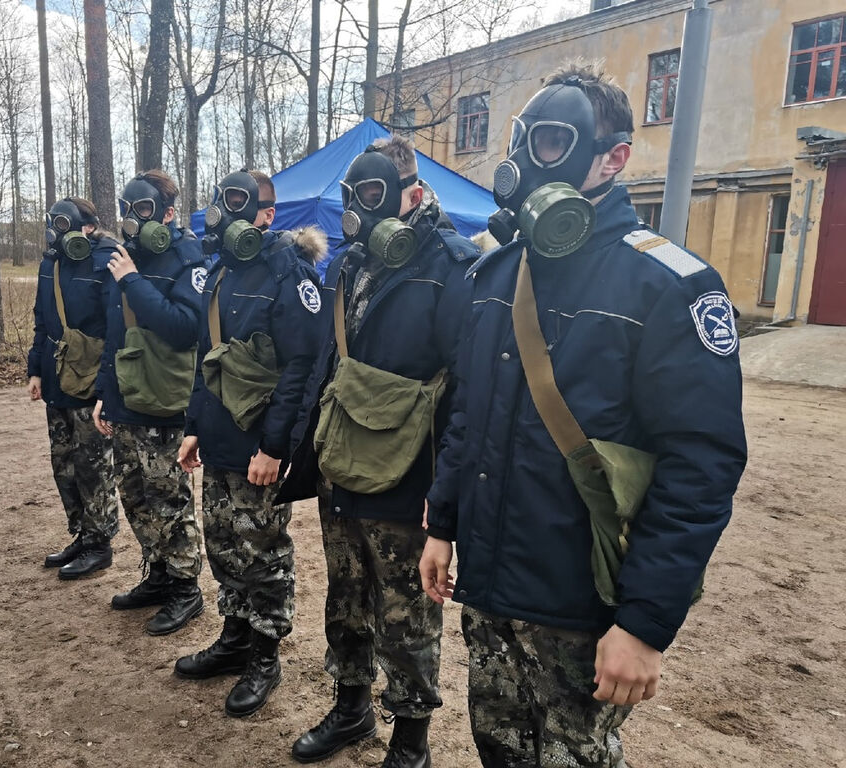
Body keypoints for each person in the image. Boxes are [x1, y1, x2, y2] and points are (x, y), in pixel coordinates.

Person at [419, 61, 748, 767]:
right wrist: (441, 525)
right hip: (492, 588)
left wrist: (645, 624)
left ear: (614, 158)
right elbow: (468, 414)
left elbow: (702, 466)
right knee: (498, 748)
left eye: (550, 143)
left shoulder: (669, 285)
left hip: (581, 605)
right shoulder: (495, 275)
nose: (525, 163)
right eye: (524, 141)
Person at [283, 136, 480, 768]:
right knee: (346, 595)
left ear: (412, 194)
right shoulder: (348, 264)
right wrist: (299, 450)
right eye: (353, 194)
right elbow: (325, 362)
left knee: (406, 612)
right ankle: (351, 707)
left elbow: (467, 392)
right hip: (342, 465)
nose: (360, 208)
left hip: (407, 476)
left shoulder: (451, 267)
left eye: (373, 193)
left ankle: (411, 740)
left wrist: (443, 497)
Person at [174, 169, 326, 719]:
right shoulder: (219, 272)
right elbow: (206, 358)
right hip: (219, 438)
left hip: (259, 445)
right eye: (226, 200)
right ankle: (235, 637)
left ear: (268, 214)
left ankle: (265, 655)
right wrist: (194, 426)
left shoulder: (290, 273)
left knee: (262, 551)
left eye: (244, 202)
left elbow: (300, 369)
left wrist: (275, 447)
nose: (232, 211)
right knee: (222, 542)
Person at [93, 170, 207, 636]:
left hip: (164, 400)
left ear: (168, 213)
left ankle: (185, 588)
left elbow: (184, 327)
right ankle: (158, 574)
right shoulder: (125, 257)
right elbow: (114, 332)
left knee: (168, 497)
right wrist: (104, 393)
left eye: (143, 209)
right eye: (128, 210)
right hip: (127, 396)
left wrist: (133, 281)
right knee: (135, 494)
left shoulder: (188, 258)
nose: (133, 219)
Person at [28, 196, 119, 579]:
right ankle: (82, 534)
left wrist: (106, 390)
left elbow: (116, 330)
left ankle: (100, 544)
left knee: (92, 465)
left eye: (65, 225)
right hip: (56, 379)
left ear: (89, 227)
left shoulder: (106, 261)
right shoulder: (50, 263)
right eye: (54, 224)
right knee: (63, 463)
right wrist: (35, 370)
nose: (57, 232)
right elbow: (41, 318)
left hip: (90, 380)